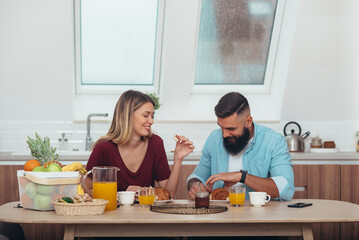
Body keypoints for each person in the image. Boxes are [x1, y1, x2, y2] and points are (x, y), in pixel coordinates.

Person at [86, 90, 195, 198]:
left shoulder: (155, 143)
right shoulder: (104, 148)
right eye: (146, 115)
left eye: (152, 116)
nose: (151, 121)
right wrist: (120, 195)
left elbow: (168, 193)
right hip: (113, 214)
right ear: (127, 116)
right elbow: (86, 190)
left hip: (147, 213)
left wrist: (178, 159)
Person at [187, 92, 294, 201]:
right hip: (220, 213)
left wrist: (242, 177)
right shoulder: (214, 138)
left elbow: (286, 190)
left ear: (248, 121)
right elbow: (198, 176)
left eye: (231, 129)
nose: (224, 134)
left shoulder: (273, 141)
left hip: (260, 214)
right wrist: (195, 185)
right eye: (221, 127)